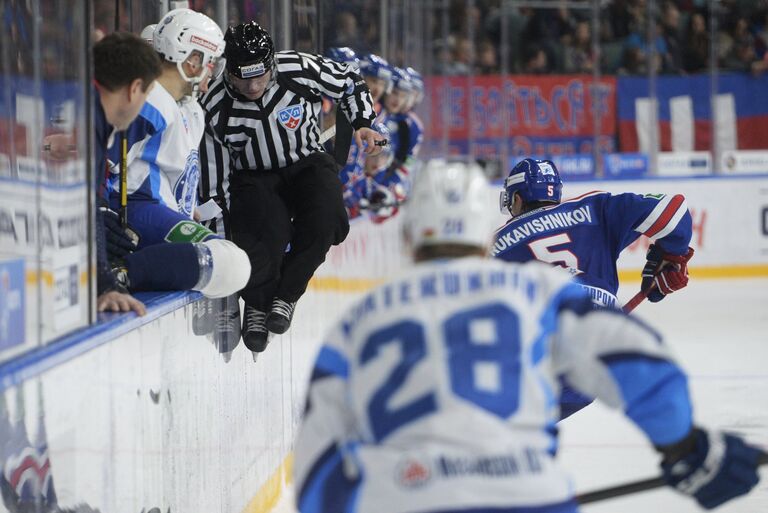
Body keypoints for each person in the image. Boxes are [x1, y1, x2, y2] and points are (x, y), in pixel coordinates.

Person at [294, 160, 763, 513]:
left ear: (409, 237)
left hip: (406, 486)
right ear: (479, 231)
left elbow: (315, 469)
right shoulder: (565, 244)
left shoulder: (361, 321)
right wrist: (686, 447)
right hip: (562, 393)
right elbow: (672, 220)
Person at [199, 21, 384, 353]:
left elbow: (349, 81)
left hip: (307, 163)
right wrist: (220, 249)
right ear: (229, 71)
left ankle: (286, 295)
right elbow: (215, 186)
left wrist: (364, 122)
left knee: (328, 218)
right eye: (243, 78)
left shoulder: (297, 67)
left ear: (271, 64)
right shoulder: (214, 105)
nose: (253, 86)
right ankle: (257, 303)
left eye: (260, 76)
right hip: (254, 177)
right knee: (259, 231)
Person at [492, 158, 694, 417]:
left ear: (517, 199)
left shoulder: (496, 244)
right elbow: (673, 213)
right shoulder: (595, 208)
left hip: (542, 353)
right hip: (604, 348)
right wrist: (671, 257)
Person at [104, 10, 249, 306]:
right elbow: (103, 161)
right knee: (231, 262)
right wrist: (101, 214)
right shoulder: (154, 98)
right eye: (210, 62)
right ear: (192, 59)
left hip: (154, 210)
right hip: (139, 210)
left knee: (232, 263)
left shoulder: (181, 104)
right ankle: (121, 274)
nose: (212, 71)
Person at [92, 31, 162, 316]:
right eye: (146, 95)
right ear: (135, 89)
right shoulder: (88, 121)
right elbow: (83, 210)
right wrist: (105, 285)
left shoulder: (84, 110)